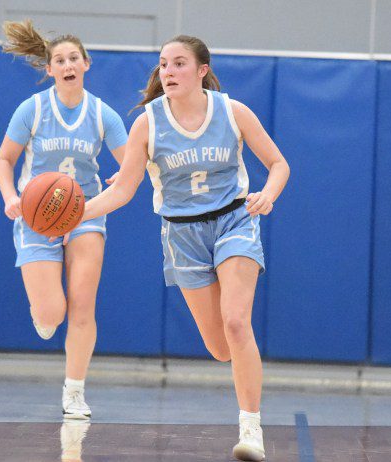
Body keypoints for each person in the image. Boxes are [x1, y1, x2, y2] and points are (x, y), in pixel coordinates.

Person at [81, 35, 290, 461]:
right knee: (219, 348)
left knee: (236, 322)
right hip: (181, 234)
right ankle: (246, 369)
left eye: (178, 63)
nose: (169, 72)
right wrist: (76, 214)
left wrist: (268, 194)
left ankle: (251, 429)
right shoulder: (148, 123)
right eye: (163, 64)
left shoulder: (232, 111)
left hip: (235, 220)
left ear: (201, 71)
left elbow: (279, 164)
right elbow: (122, 191)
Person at [0, 20, 127, 420]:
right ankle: (44, 313)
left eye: (74, 58)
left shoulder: (104, 114)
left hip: (84, 211)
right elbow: (3, 160)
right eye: (59, 59)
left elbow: (133, 166)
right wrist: (11, 196)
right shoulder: (32, 109)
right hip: (37, 215)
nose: (67, 64)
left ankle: (74, 391)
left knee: (83, 306)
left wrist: (125, 173)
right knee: (52, 314)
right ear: (49, 69)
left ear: (86, 64)